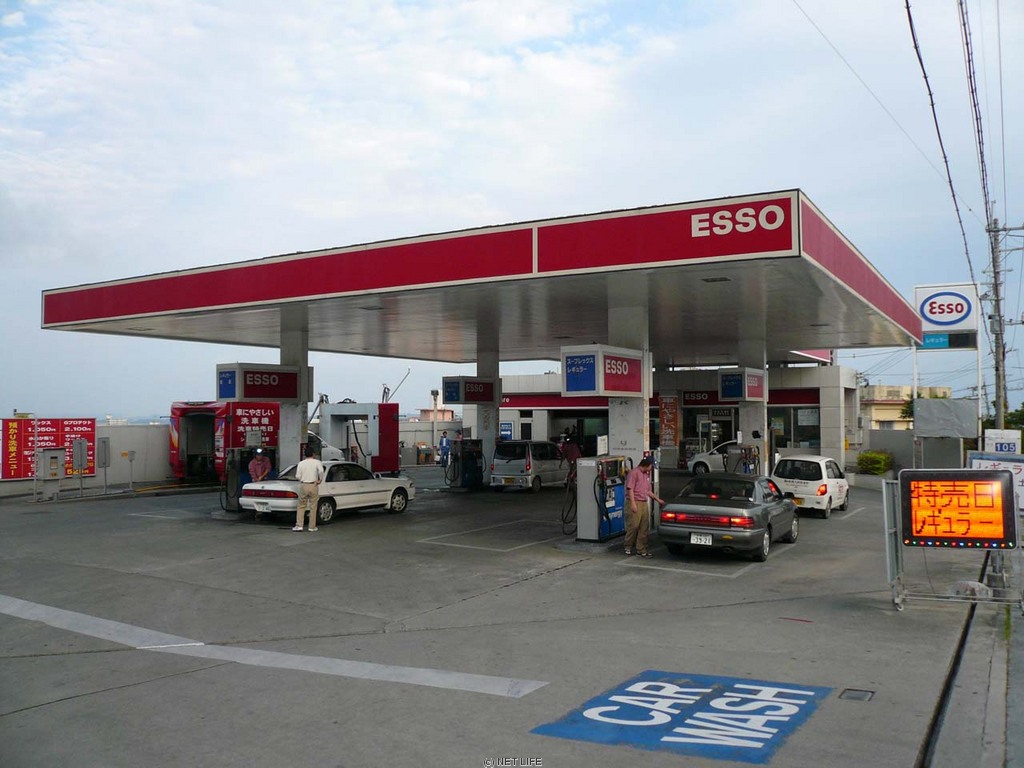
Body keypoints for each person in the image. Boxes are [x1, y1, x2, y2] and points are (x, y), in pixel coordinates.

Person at [624, 456, 664, 558]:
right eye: (651, 466)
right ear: (647, 465)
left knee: (644, 527)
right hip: (635, 501)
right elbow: (630, 489)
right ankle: (628, 546)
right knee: (633, 525)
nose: (651, 468)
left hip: (644, 502)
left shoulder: (646, 475)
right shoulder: (634, 473)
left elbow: (647, 491)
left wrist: (657, 499)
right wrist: (633, 503)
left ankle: (641, 549)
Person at [293, 445, 325, 532]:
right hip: (313, 485)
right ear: (313, 454)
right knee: (313, 506)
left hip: (304, 485)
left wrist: (302, 479)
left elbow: (297, 476)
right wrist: (320, 480)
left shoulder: (301, 463)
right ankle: (312, 527)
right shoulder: (317, 462)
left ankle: (299, 525)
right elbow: (321, 471)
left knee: (301, 506)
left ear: (305, 455)